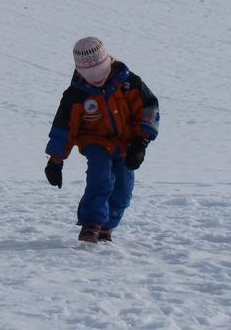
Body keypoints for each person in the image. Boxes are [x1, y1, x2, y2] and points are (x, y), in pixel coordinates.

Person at [44, 37, 160, 243]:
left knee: (123, 188)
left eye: (100, 74)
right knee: (100, 178)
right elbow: (63, 127)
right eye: (89, 76)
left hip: (126, 143)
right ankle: (91, 223)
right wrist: (55, 160)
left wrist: (141, 143)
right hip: (95, 141)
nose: (96, 81)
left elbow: (148, 110)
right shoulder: (76, 95)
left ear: (108, 63)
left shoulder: (130, 83)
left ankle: (107, 226)